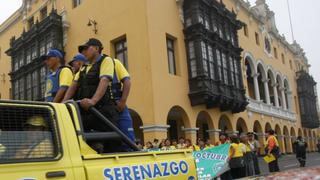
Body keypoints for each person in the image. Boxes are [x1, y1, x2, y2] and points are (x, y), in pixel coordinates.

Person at [63, 38, 119, 152]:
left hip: (103, 110)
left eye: (86, 49)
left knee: (110, 145)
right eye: (82, 50)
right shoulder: (84, 67)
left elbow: (104, 80)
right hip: (87, 111)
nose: (84, 52)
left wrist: (93, 101)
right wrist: (63, 103)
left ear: (97, 48)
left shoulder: (106, 60)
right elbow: (73, 85)